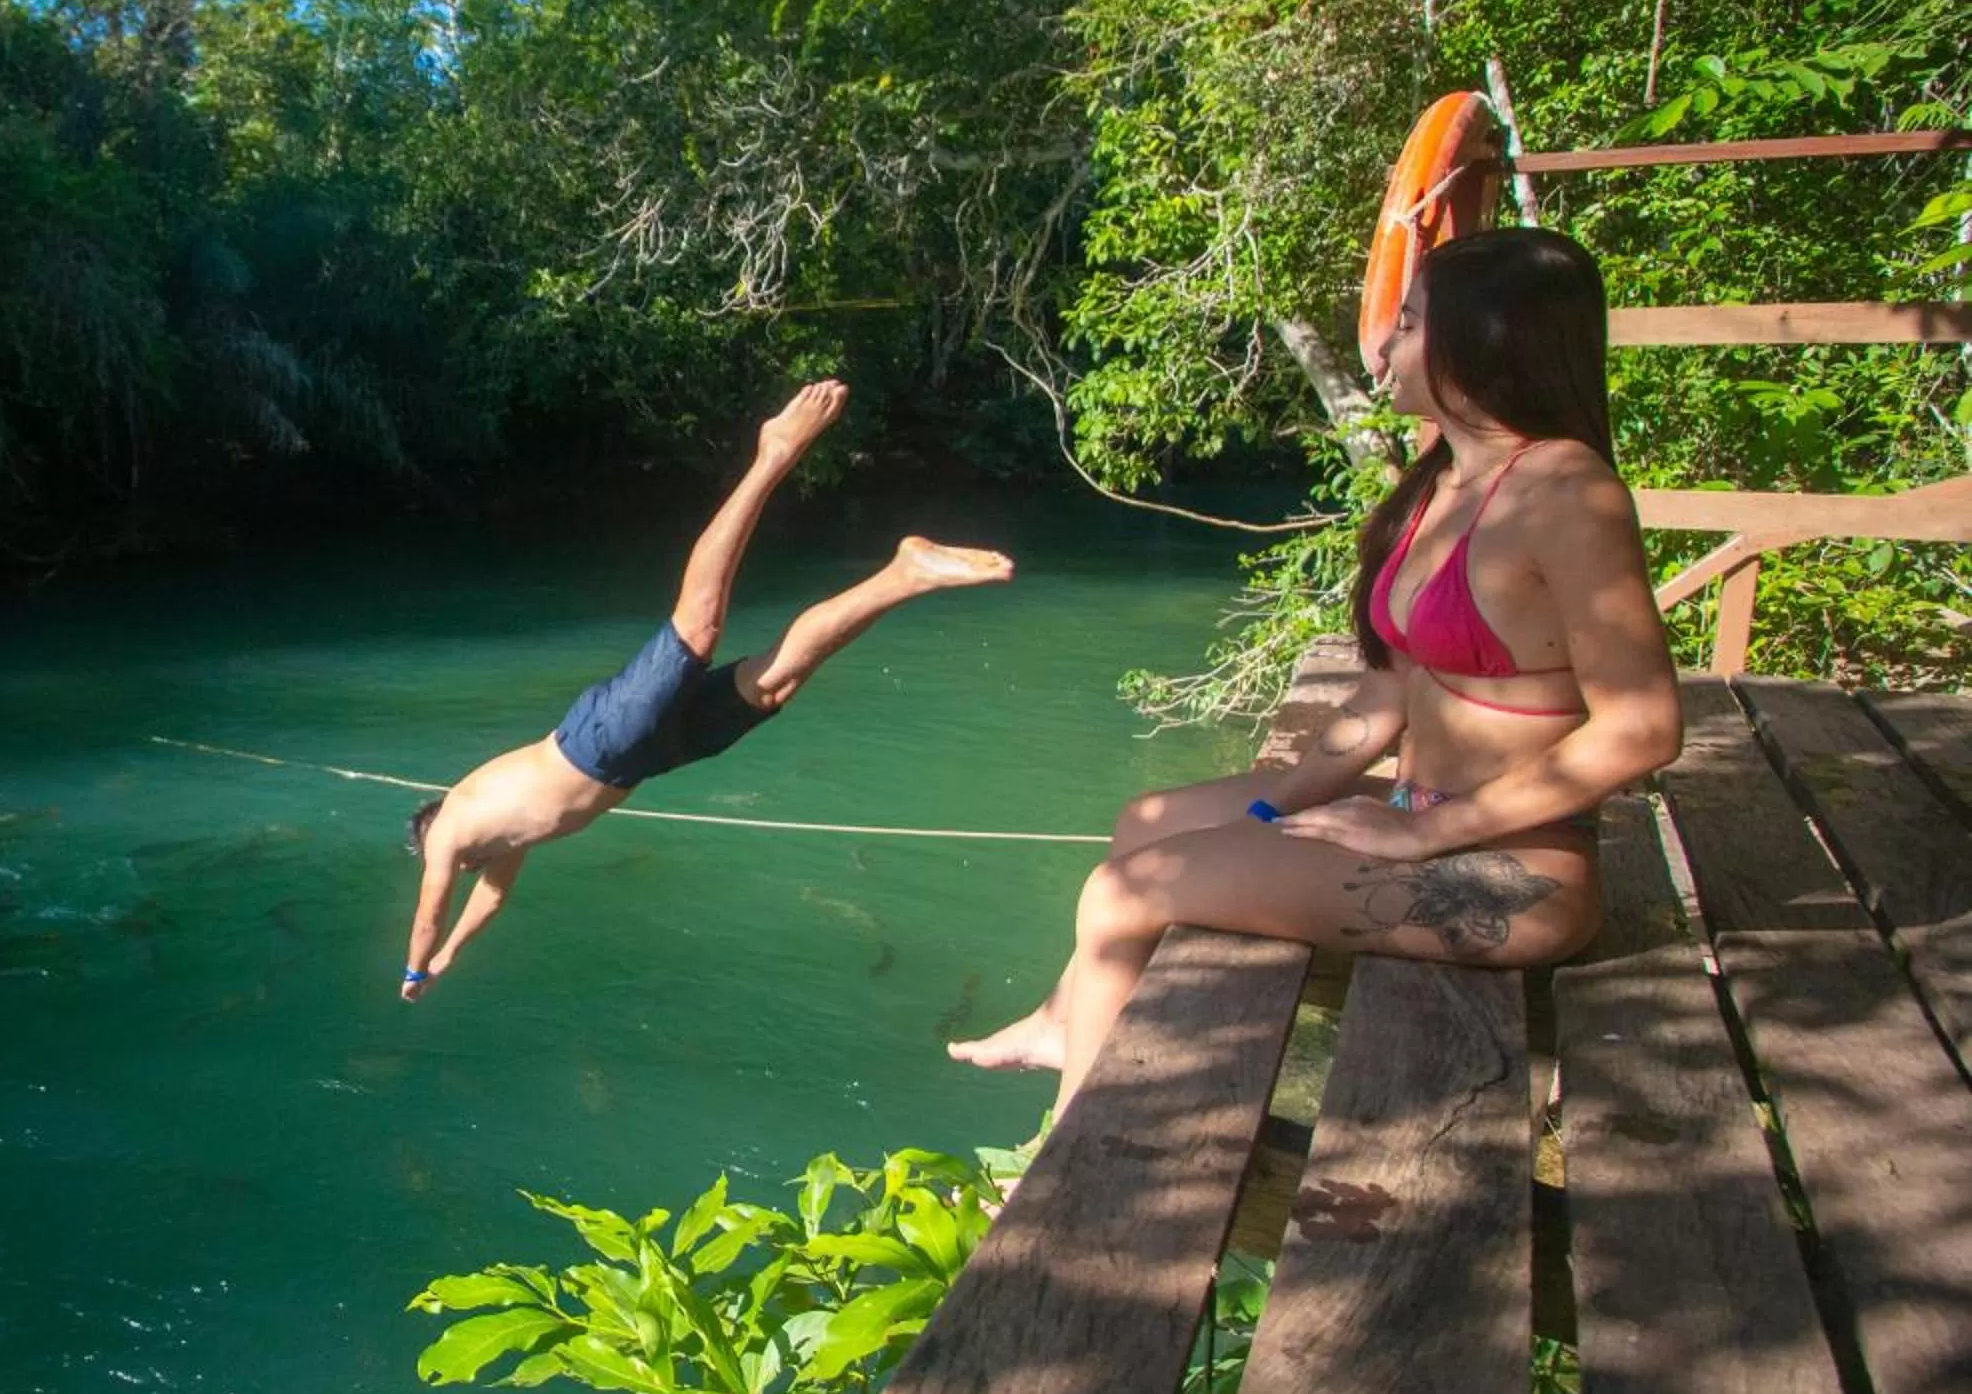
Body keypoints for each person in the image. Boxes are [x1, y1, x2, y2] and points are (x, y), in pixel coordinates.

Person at [950, 226, 1681, 1117]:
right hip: (1416, 815)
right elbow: (1384, 697)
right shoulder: (1442, 482)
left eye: (1408, 324)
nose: (1384, 346)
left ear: (1481, 340)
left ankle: (1058, 1161)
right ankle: (1069, 1021)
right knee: (1144, 819)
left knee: (1117, 896)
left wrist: (1417, 838)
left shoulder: (1568, 492)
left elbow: (1644, 729)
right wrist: (1272, 809)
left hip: (1509, 873)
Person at [399, 381, 1012, 1001]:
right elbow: (492, 899)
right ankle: (905, 575)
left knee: (697, 624)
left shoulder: (450, 828)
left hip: (600, 740)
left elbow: (431, 910)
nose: (448, 868)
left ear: (432, 833)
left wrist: (415, 969)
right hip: (649, 757)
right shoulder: (499, 841)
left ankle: (772, 452)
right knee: (775, 684)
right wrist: (451, 955)